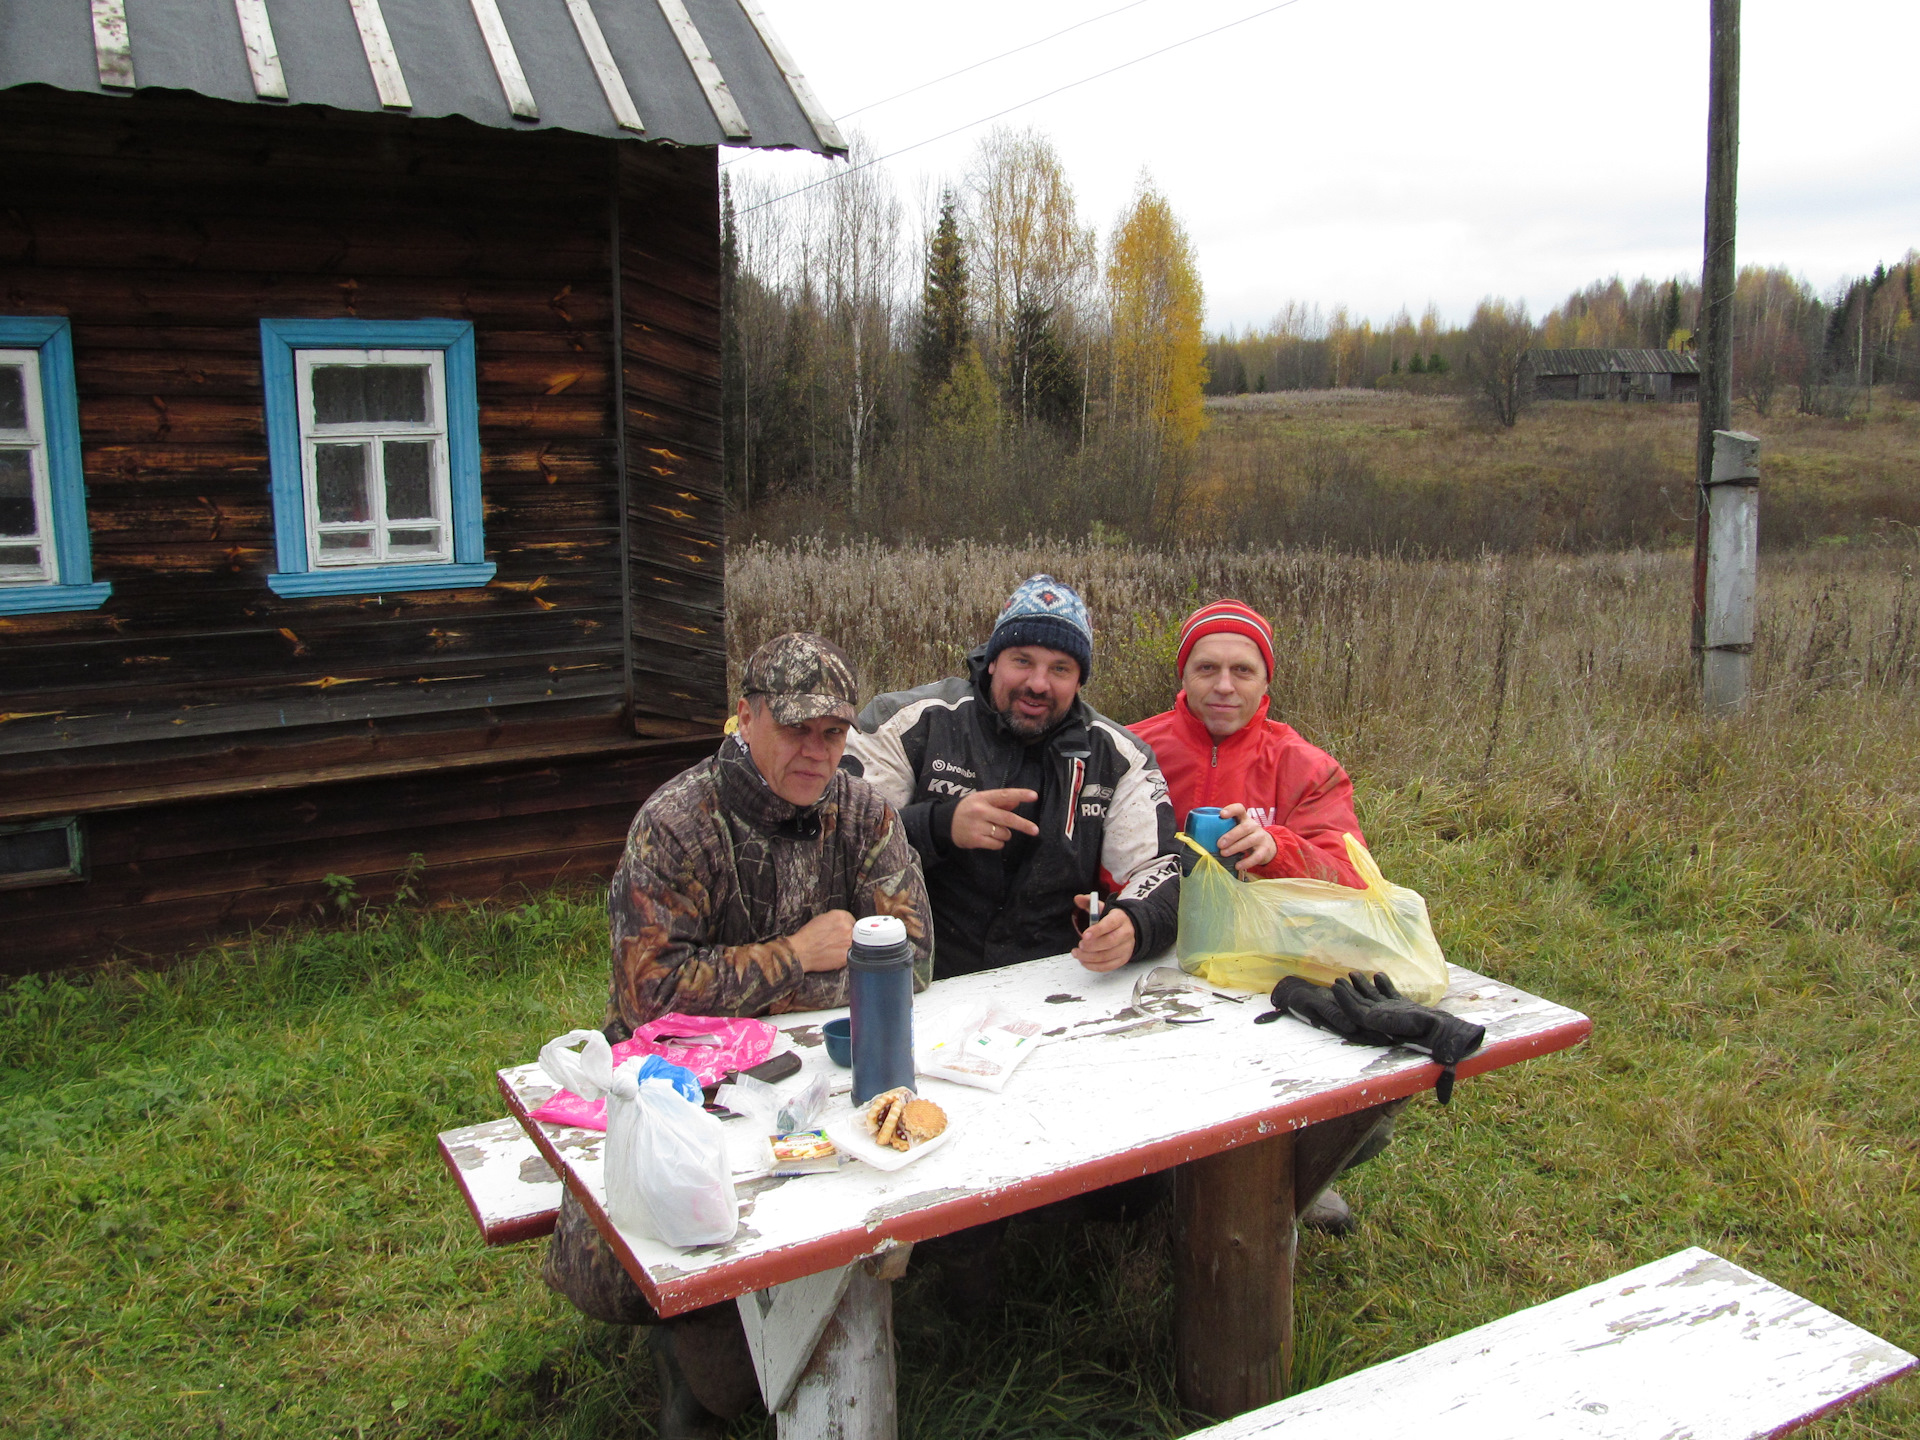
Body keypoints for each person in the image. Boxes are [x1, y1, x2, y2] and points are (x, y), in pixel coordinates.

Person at [542, 631, 933, 1440]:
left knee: (920, 1209)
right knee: (714, 1363)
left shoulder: (862, 814)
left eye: (833, 733)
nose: (817, 752)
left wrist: (747, 988)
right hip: (684, 1093)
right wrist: (801, 954)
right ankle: (686, 1355)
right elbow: (650, 997)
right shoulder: (677, 823)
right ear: (746, 717)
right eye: (796, 729)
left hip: (816, 1079)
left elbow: (913, 955)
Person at [1129, 598, 1389, 1234]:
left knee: (1368, 1094)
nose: (1223, 686)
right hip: (1150, 961)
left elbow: (1351, 876)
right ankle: (1162, 1182)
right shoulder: (1132, 749)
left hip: (1266, 965)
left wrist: (1281, 849)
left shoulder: (1304, 767)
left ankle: (1293, 1171)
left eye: (1242, 671)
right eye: (1206, 668)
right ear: (1182, 678)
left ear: (1266, 682)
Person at [844, 574, 1180, 977]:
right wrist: (938, 824)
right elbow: (842, 840)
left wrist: (1134, 924)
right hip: (918, 974)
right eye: (1022, 660)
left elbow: (1162, 869)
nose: (1038, 684)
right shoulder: (908, 723)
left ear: (1079, 680)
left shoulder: (1118, 757)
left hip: (1056, 981)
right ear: (993, 662)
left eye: (1060, 668)